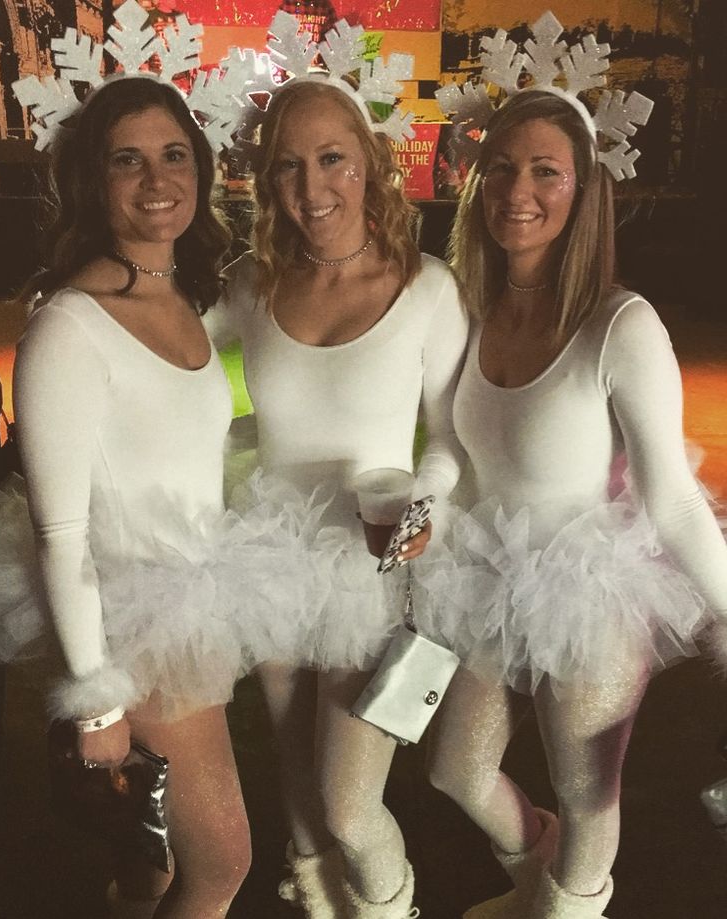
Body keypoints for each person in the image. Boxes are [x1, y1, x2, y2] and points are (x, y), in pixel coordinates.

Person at [419, 87, 727, 919]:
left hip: (592, 590)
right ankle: (537, 875)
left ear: (585, 192)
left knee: (588, 787)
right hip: (491, 576)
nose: (519, 190)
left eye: (546, 171)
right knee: (455, 766)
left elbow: (673, 496)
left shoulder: (622, 323)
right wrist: (428, 502)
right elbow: (453, 446)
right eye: (503, 168)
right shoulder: (474, 307)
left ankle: (570, 905)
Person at [206, 74, 469, 917]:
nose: (312, 188)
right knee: (300, 798)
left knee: (349, 803)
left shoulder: (428, 287)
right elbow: (164, 358)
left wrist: (425, 496)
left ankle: (389, 906)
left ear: (373, 165)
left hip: (372, 562)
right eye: (288, 166)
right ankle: (321, 902)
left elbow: (456, 437)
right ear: (264, 176)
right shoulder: (249, 282)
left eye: (332, 160)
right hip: (274, 553)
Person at [6, 76, 252, 918]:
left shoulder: (182, 295)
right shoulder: (70, 327)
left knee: (150, 862)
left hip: (194, 601)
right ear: (92, 180)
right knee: (221, 862)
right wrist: (97, 700)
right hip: (131, 632)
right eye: (128, 160)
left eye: (174, 154)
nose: (158, 179)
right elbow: (60, 533)